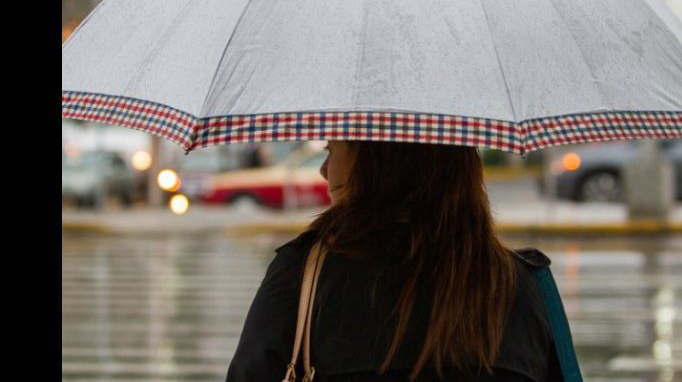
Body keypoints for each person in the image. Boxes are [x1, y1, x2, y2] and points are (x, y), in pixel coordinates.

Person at [226, 140, 565, 381]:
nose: (325, 169)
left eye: (332, 151)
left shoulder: (303, 278)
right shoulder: (519, 286)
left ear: (375, 163)